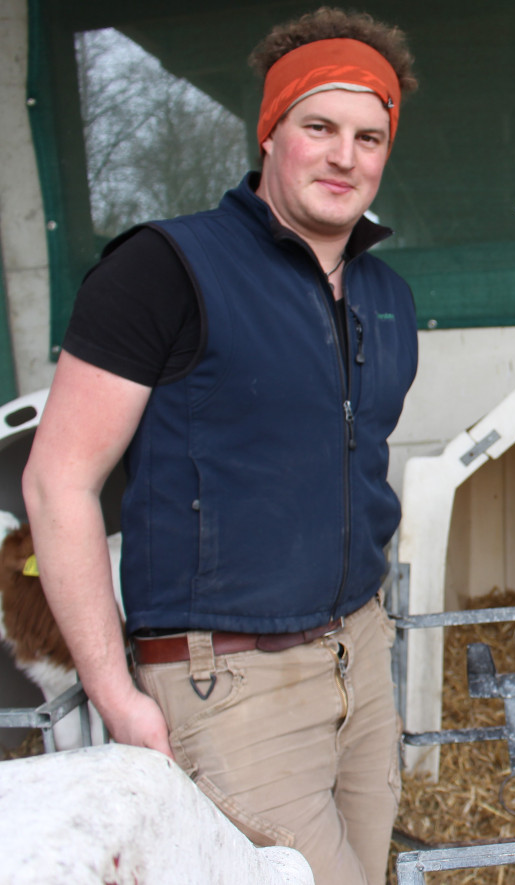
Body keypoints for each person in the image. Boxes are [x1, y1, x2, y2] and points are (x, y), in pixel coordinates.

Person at [22, 8, 419, 884]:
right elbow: (58, 484)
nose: (344, 156)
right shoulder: (164, 269)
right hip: (230, 684)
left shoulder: (388, 296)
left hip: (361, 654)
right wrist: (116, 694)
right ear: (270, 131)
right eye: (318, 127)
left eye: (369, 135)